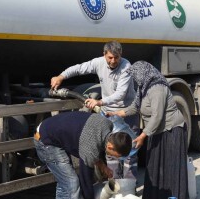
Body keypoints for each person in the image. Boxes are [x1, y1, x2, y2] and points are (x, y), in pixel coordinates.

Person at [50, 41, 139, 180]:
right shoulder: (99, 63)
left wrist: (99, 102)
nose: (114, 61)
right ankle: (115, 185)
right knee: (111, 150)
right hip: (109, 114)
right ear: (104, 55)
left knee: (130, 151)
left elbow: (120, 94)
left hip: (127, 113)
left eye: (117, 57)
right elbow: (79, 68)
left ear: (121, 55)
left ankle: (129, 186)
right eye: (110, 57)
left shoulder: (126, 66)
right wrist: (61, 76)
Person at [107, 61, 188, 199]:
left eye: (135, 76)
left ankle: (174, 195)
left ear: (142, 73)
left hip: (172, 131)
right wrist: (117, 114)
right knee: (156, 166)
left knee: (171, 167)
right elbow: (134, 107)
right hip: (157, 131)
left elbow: (157, 116)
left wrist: (143, 135)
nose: (134, 79)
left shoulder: (157, 88)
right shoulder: (143, 87)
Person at [33, 111, 132, 199]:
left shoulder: (107, 125)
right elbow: (86, 181)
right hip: (46, 141)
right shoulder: (89, 149)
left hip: (53, 131)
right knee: (72, 184)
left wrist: (103, 166)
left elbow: (99, 145)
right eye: (116, 155)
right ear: (110, 147)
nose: (114, 158)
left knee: (65, 183)